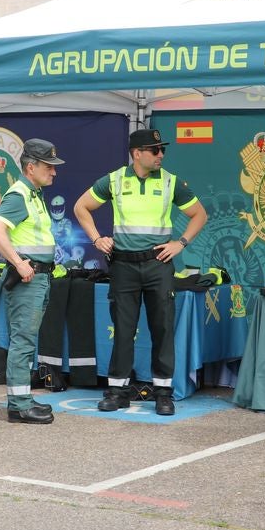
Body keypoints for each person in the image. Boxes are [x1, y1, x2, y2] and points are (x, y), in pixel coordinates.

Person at [74, 127, 208, 416]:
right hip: (122, 265)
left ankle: (163, 393)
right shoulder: (114, 180)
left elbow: (200, 214)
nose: (161, 154)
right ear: (137, 154)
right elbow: (81, 207)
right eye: (155, 150)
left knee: (162, 329)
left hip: (158, 264)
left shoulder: (172, 182)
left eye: (163, 150)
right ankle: (118, 391)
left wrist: (180, 243)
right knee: (123, 330)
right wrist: (97, 238)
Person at [0, 138, 65, 424]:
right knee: (22, 341)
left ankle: (23, 399)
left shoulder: (33, 193)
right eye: (48, 167)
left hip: (38, 278)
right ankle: (18, 405)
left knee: (27, 341)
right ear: (31, 167)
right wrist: (19, 263)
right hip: (28, 280)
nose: (54, 172)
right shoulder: (19, 194)